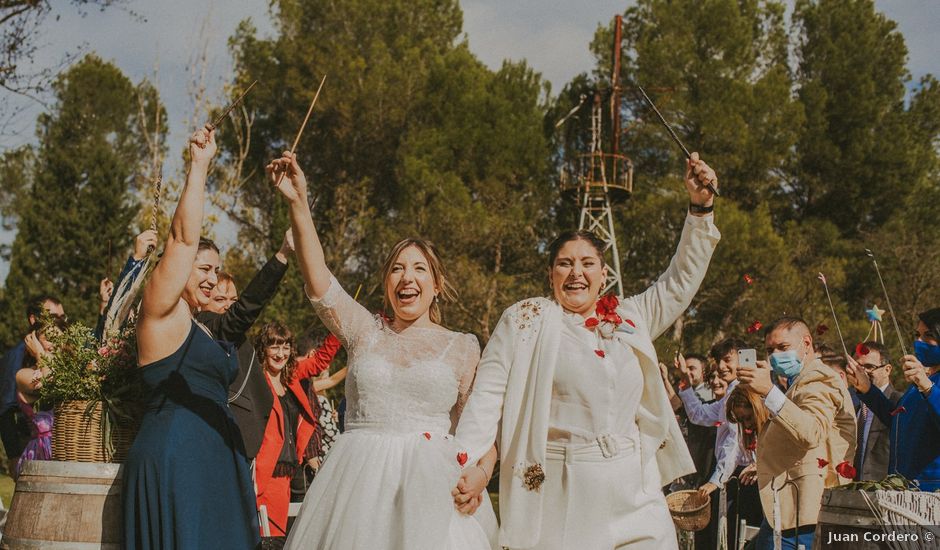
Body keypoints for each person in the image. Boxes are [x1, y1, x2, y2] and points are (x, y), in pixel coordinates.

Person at [453, 153, 721, 549]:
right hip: (563, 490)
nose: (576, 272)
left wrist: (701, 209)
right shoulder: (525, 319)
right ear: (550, 274)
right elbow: (487, 397)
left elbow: (679, 281)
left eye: (587, 263)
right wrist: (467, 466)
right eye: (564, 264)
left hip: (635, 486)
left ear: (604, 273)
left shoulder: (631, 315)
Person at [269, 151, 496, 550]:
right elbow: (318, 279)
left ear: (437, 284)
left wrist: (481, 476)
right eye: (397, 268)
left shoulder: (462, 347)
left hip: (434, 497)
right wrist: (298, 203)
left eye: (419, 268)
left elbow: (482, 432)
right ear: (387, 282)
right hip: (355, 493)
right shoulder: (362, 330)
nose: (407, 277)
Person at [122, 125, 259, 550]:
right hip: (179, 460)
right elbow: (182, 239)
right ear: (176, 272)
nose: (213, 278)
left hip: (216, 461)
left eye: (217, 271)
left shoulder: (201, 325)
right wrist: (200, 165)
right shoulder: (161, 310)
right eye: (204, 269)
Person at [737, 317, 856, 550]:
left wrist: (770, 391)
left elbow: (811, 432)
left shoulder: (819, 378)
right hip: (786, 507)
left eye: (783, 348)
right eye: (770, 350)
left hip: (806, 511)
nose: (775, 356)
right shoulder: (797, 381)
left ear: (806, 343)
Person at [253, 321, 340, 537]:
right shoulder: (253, 379)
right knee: (264, 538)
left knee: (281, 538)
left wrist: (341, 327)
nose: (280, 354)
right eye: (274, 346)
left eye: (285, 347)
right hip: (264, 472)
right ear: (263, 348)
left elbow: (320, 362)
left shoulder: (290, 375)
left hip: (288, 473)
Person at [846, 308, 940, 490]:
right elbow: (897, 419)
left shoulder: (925, 383)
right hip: (905, 488)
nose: (918, 341)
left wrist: (928, 387)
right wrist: (867, 389)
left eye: (928, 335)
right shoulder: (917, 386)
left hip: (932, 492)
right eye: (917, 335)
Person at [0, 295, 64, 475]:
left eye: (61, 318)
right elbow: (5, 410)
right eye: (51, 317)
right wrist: (13, 455)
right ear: (33, 320)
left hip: (65, 445)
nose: (58, 323)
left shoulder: (65, 363)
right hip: (34, 443)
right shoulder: (18, 360)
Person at [841, 342, 899, 481]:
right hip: (853, 490)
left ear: (887, 370)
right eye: (858, 366)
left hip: (886, 490)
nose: (862, 372)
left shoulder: (898, 402)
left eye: (869, 367)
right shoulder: (852, 403)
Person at [724, 385, 769, 548]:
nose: (746, 425)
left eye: (748, 418)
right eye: (741, 421)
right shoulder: (753, 434)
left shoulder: (774, 427)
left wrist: (761, 467)